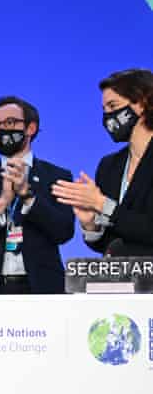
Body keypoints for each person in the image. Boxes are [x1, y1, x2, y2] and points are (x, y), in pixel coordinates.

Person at [0, 97, 74, 294]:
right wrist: (2, 203)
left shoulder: (57, 176)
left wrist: (29, 197)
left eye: (10, 122)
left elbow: (64, 232)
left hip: (42, 288)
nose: (2, 130)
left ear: (30, 128)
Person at [52, 69, 153, 256]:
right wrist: (90, 224)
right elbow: (109, 243)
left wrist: (102, 204)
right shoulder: (109, 165)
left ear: (141, 103)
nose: (108, 117)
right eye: (104, 110)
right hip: (120, 281)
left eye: (113, 106)